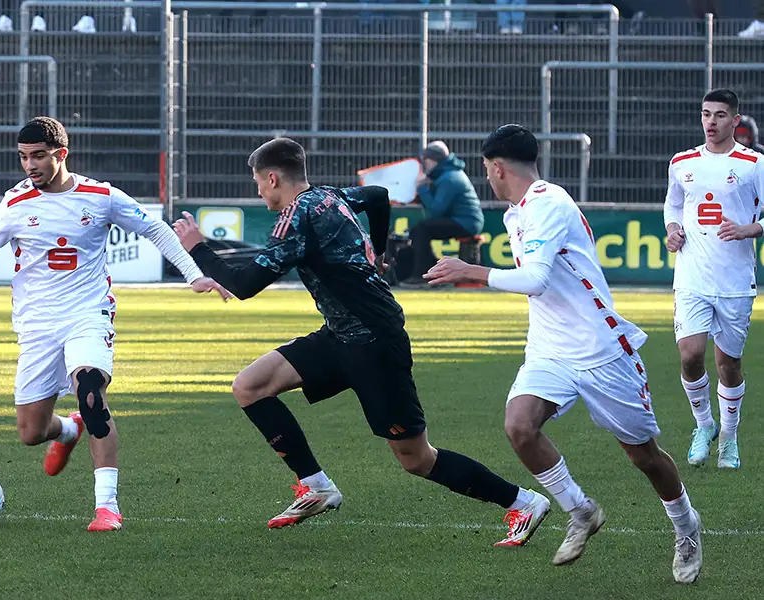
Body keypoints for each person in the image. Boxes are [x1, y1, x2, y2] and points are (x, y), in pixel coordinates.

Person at [172, 137, 551, 546]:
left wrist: (197, 248)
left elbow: (246, 285)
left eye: (258, 183)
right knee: (250, 386)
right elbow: (377, 196)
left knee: (416, 458)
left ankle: (522, 502)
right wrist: (380, 251)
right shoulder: (330, 197)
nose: (258, 191)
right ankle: (316, 486)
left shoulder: (298, 217)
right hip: (343, 334)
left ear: (272, 177)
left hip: (374, 343)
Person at [424, 124, 703, 583]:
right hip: (550, 348)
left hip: (600, 350)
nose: (487, 179)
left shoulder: (547, 204)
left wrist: (469, 269)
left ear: (495, 168)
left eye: (486, 171)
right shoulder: (519, 212)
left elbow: (533, 278)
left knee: (644, 456)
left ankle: (686, 525)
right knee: (519, 425)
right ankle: (581, 510)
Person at [0, 117, 230, 532]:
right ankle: (69, 430)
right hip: (37, 325)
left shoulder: (99, 196)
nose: (29, 165)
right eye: (23, 157)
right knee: (31, 433)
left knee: (89, 388)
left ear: (61, 154)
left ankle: (107, 507)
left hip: (88, 314)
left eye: (38, 156)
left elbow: (154, 228)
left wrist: (194, 275)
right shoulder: (15, 203)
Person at [664, 89, 764, 470]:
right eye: (706, 114)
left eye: (720, 115)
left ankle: (730, 438)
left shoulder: (754, 164)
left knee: (728, 364)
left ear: (735, 121)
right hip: (691, 275)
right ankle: (704, 425)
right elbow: (673, 204)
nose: (711, 122)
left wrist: (748, 229)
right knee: (690, 355)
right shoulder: (682, 162)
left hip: (735, 280)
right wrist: (672, 229)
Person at [404, 141, 483, 283]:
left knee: (421, 230)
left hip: (466, 223)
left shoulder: (449, 178)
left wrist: (422, 189)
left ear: (435, 160)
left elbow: (436, 211)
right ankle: (433, 268)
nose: (424, 164)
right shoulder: (448, 174)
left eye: (426, 160)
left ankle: (423, 273)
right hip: (464, 220)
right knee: (420, 229)